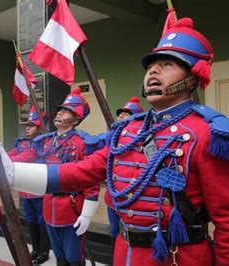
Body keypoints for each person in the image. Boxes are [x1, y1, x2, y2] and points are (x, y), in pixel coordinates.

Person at [0, 16, 229, 266]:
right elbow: (84, 171)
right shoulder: (129, 130)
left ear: (194, 75)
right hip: (125, 252)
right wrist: (13, 172)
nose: (153, 71)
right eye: (150, 66)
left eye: (167, 64)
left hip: (178, 256)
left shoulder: (210, 133)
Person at [9, 88, 101, 266]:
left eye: (66, 111)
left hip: (71, 208)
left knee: (74, 258)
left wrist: (87, 214)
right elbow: (26, 157)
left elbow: (91, 179)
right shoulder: (47, 141)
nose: (60, 113)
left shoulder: (82, 143)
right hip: (49, 206)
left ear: (76, 120)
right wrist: (2, 161)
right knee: (59, 257)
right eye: (60, 110)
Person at [8, 105, 50, 264]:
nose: (27, 129)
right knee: (30, 219)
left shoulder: (43, 143)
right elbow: (11, 154)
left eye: (31, 126)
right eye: (27, 125)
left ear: (40, 128)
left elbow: (27, 156)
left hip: (38, 188)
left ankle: (44, 252)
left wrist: (7, 160)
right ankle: (35, 249)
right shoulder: (21, 143)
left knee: (41, 220)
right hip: (24, 189)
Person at [103, 96, 145, 248]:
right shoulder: (110, 138)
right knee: (115, 232)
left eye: (126, 113)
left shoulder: (143, 138)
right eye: (120, 113)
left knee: (130, 234)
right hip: (113, 196)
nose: (120, 115)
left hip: (131, 196)